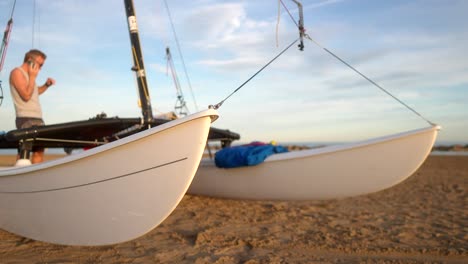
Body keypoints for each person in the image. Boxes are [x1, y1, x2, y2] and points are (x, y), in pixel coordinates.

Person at [9, 49, 55, 164]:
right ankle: (20, 178)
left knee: (39, 151)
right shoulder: (17, 73)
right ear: (30, 60)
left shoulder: (30, 77)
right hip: (25, 118)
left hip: (38, 118)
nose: (41, 67)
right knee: (24, 151)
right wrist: (33, 76)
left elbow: (35, 92)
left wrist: (46, 85)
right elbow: (26, 95)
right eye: (40, 64)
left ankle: (36, 180)